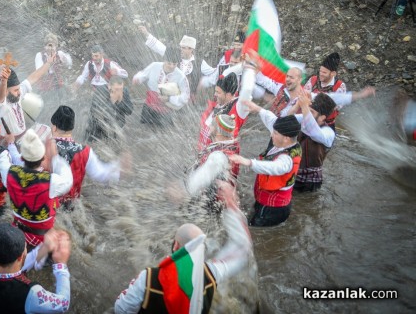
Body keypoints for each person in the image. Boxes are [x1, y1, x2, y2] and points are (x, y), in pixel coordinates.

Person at [114, 182, 252, 313]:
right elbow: (242, 250)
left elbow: (121, 309)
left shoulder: (148, 278)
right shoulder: (211, 273)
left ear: (175, 245)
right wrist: (231, 206)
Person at [230, 110, 302, 227]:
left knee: (253, 230)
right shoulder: (288, 143)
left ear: (286, 139)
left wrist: (248, 162)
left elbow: (273, 167)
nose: (271, 134)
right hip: (268, 202)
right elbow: (271, 120)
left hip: (272, 209)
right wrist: (257, 109)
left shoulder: (286, 160)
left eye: (275, 133)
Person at [0, 224, 71, 313]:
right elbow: (64, 304)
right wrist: (61, 265)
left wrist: (45, 247)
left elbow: (15, 266)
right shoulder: (32, 294)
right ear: (21, 256)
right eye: (26, 247)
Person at [7, 129, 73, 249]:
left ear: (22, 159)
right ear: (43, 158)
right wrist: (54, 156)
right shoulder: (51, 181)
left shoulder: (10, 172)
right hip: (42, 239)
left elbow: (15, 159)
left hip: (17, 231)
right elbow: (68, 180)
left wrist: (11, 144)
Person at [50, 105, 120, 206]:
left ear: (55, 127)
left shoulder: (46, 147)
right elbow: (101, 174)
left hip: (48, 206)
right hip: (71, 205)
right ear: (71, 128)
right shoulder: (85, 151)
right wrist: (119, 169)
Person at [0, 58, 56, 141]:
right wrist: (3, 81)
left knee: (47, 131)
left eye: (18, 89)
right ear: (6, 91)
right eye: (16, 90)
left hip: (23, 135)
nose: (19, 92)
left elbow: (33, 77)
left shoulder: (16, 94)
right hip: (8, 142)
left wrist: (48, 63)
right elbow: (0, 95)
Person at [139, 26, 205, 99]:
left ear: (191, 49)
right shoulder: (175, 54)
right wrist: (147, 34)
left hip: (188, 97)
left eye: (183, 48)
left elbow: (214, 73)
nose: (181, 50)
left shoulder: (200, 62)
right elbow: (160, 47)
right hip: (170, 95)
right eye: (181, 47)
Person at [133, 45, 190, 126]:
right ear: (164, 60)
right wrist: (137, 79)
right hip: (149, 107)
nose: (172, 66)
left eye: (174, 64)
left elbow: (186, 96)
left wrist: (169, 99)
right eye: (169, 63)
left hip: (165, 111)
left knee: (163, 133)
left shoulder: (181, 76)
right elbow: (142, 75)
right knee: (144, 129)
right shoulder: (154, 66)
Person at [85, 76, 133, 143]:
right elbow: (98, 112)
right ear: (109, 86)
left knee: (116, 148)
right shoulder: (100, 91)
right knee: (91, 147)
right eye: (116, 89)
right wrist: (112, 101)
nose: (119, 92)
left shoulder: (124, 91)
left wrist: (120, 101)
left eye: (121, 89)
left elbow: (129, 111)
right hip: (96, 128)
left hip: (116, 127)